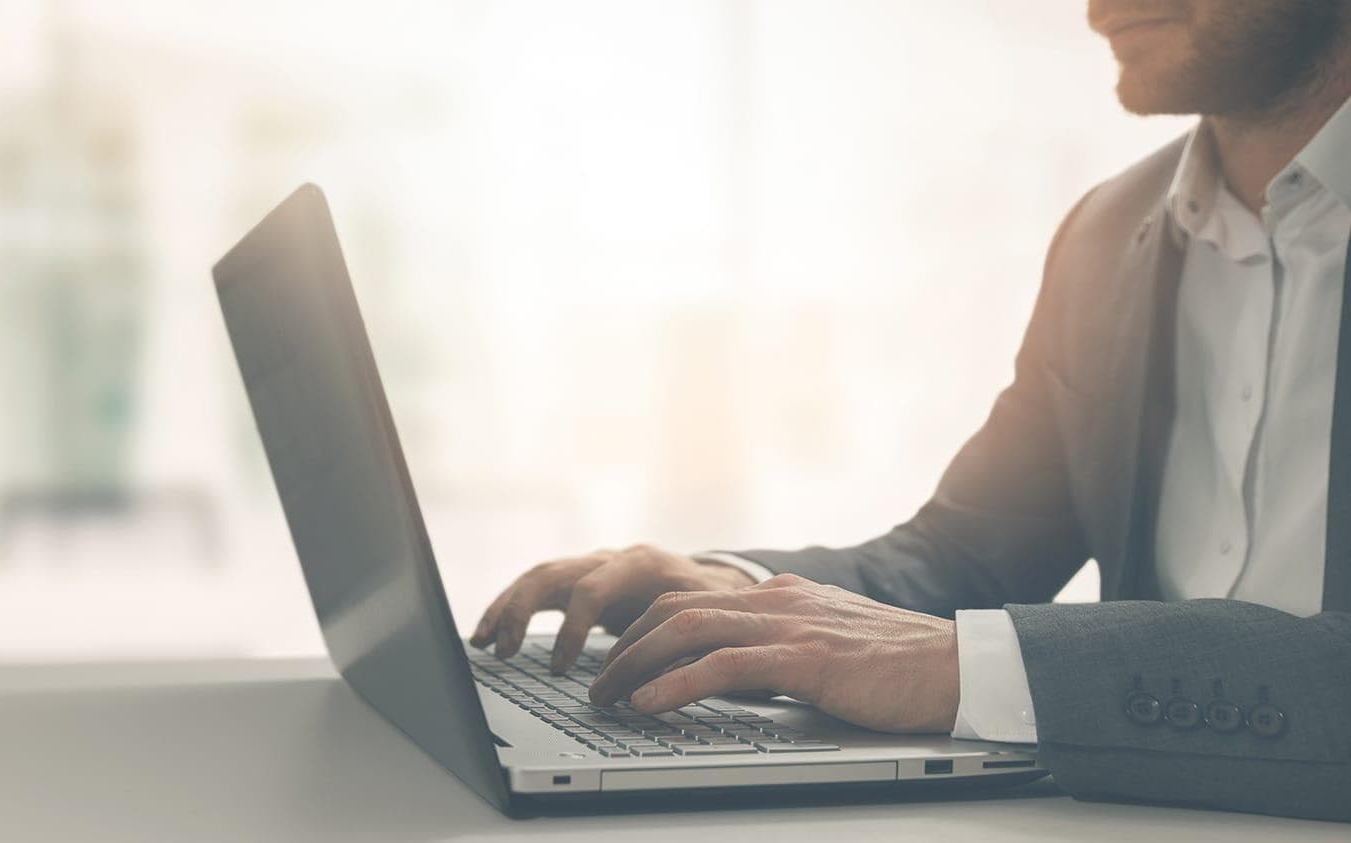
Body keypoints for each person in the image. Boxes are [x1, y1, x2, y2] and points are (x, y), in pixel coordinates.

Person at [470, 0, 1351, 822]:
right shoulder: (1109, 232)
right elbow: (964, 555)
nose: (1096, 5)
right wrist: (738, 594)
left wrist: (965, 666)